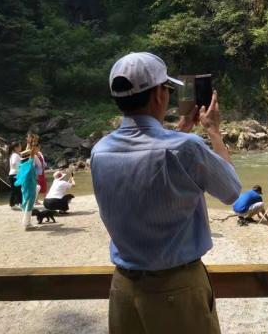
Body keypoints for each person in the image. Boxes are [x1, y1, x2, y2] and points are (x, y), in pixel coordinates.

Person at [91, 52, 241, 334]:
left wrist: (181, 129)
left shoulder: (100, 152)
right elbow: (232, 191)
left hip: (123, 289)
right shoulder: (185, 148)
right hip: (177, 290)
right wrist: (214, 132)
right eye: (167, 89)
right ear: (159, 96)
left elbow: (148, 163)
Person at [14, 145, 38, 230]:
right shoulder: (28, 165)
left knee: (26, 203)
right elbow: (31, 156)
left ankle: (27, 223)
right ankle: (26, 224)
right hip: (30, 187)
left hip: (25, 187)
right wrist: (33, 146)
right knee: (29, 205)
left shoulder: (22, 165)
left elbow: (30, 156)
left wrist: (30, 145)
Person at [7, 141, 23, 209]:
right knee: (17, 190)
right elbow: (14, 163)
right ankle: (18, 204)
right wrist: (21, 167)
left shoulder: (14, 154)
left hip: (14, 174)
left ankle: (13, 204)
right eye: (19, 146)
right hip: (15, 174)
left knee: (15, 190)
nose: (21, 147)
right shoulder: (15, 155)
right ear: (16, 148)